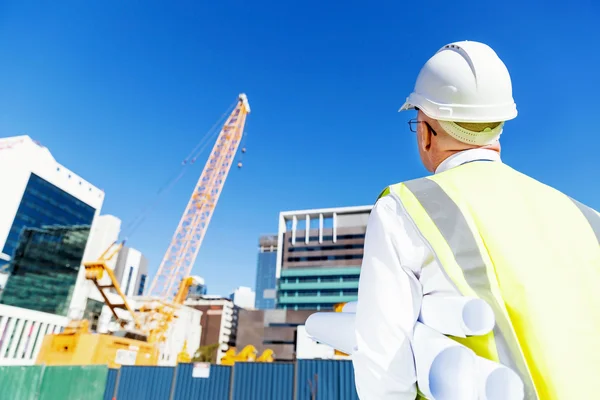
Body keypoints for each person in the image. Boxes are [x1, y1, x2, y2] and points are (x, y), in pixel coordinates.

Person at [352, 40, 600, 400]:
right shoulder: (588, 219)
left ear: (425, 132)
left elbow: (383, 370)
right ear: (499, 126)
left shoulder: (402, 208)